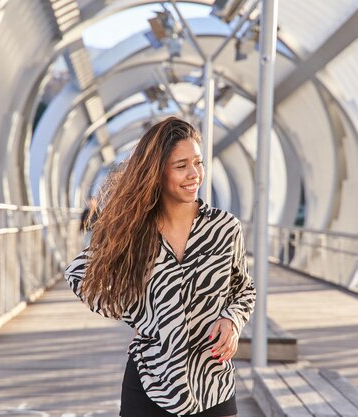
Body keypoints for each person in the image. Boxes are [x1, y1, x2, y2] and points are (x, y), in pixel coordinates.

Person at [64, 116, 256, 417]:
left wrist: (232, 321)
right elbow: (78, 274)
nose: (194, 174)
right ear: (157, 172)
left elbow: (243, 289)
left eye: (198, 162)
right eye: (181, 166)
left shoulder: (225, 228)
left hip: (212, 384)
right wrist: (142, 317)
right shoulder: (133, 231)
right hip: (149, 379)